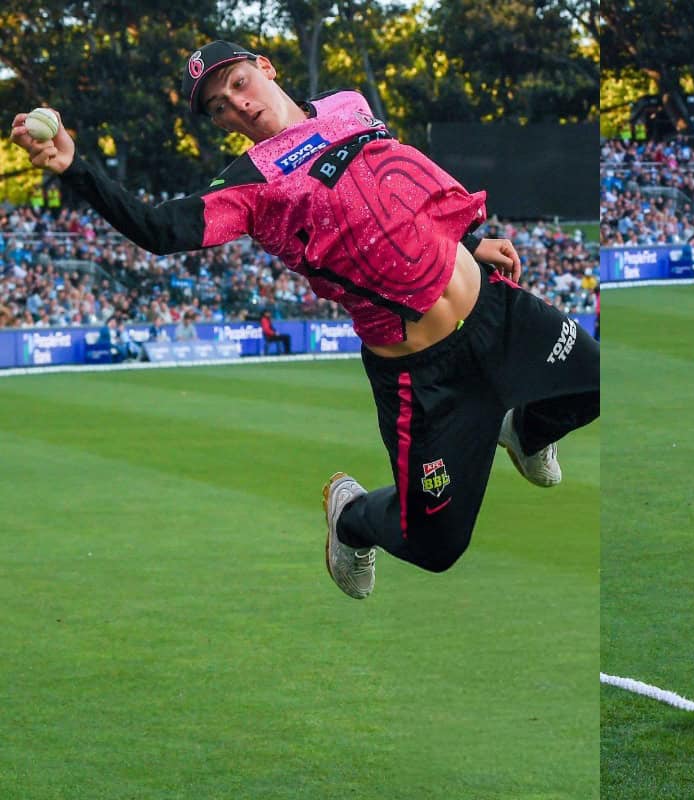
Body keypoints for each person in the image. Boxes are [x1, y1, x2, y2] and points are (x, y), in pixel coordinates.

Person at [11, 39, 599, 598]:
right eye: (219, 107)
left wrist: (468, 237)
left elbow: (399, 183)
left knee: (598, 382)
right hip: (423, 375)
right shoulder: (249, 186)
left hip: (497, 312)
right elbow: (157, 229)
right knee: (435, 545)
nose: (237, 105)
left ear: (265, 69)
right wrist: (74, 168)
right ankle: (351, 519)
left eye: (239, 84)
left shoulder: (349, 104)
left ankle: (524, 432)